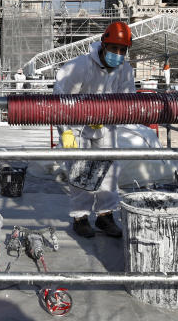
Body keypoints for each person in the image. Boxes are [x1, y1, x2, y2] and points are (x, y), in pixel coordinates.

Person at [53, 20, 135, 239]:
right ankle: (80, 217)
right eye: (114, 48)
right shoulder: (80, 66)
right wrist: (65, 131)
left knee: (109, 170)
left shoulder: (125, 70)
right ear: (103, 45)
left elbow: (128, 101)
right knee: (80, 172)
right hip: (76, 126)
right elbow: (60, 96)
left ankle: (105, 215)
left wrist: (108, 114)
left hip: (106, 125)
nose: (117, 54)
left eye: (122, 50)